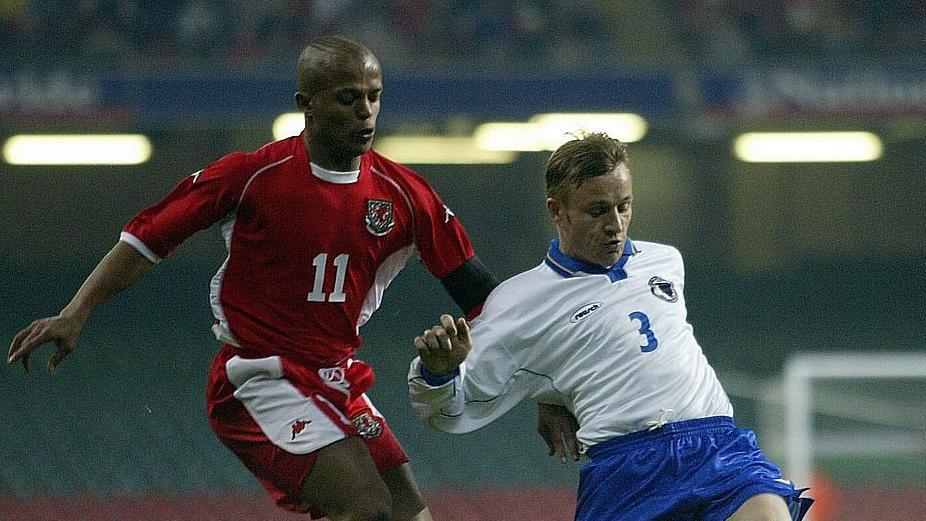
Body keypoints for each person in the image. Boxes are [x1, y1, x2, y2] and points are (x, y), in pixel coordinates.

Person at [7, 35, 576, 521]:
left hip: (340, 381)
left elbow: (485, 298)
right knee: (369, 511)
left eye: (374, 98)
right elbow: (147, 238)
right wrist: (76, 312)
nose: (366, 113)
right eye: (348, 99)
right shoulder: (253, 176)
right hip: (260, 377)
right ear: (306, 104)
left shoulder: (405, 195)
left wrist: (544, 394)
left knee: (409, 515)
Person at [407, 132, 815, 521]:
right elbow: (445, 409)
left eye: (624, 206)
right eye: (598, 210)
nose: (615, 224)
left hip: (717, 447)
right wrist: (439, 371)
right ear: (557, 211)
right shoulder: (520, 302)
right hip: (627, 471)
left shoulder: (666, 261)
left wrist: (553, 397)